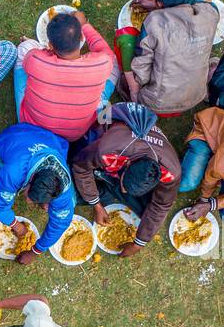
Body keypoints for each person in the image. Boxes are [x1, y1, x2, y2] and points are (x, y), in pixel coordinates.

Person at [70, 102, 182, 257]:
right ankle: (104, 189)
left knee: (148, 215)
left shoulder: (171, 172)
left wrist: (139, 243)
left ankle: (108, 191)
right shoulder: (107, 149)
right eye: (124, 184)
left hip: (137, 153)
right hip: (109, 124)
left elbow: (161, 206)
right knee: (76, 178)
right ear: (127, 163)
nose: (123, 189)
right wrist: (96, 205)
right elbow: (80, 167)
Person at [123, 0, 220, 115]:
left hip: (159, 103)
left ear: (159, 3)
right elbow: (210, 5)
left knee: (124, 43)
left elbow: (141, 72)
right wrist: (168, 3)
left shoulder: (153, 22)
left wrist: (134, 83)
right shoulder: (209, 13)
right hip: (196, 95)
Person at [14, 8, 118, 140]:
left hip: (33, 128)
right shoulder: (101, 64)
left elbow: (32, 55)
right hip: (74, 135)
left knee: (25, 47)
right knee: (114, 66)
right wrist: (85, 24)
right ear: (81, 37)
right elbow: (105, 51)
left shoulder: (36, 60)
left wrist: (47, 54)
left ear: (50, 45)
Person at [0, 121, 74, 263]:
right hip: (16, 138)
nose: (27, 201)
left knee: (69, 204)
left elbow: (61, 222)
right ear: (31, 178)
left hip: (48, 141)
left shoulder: (64, 188)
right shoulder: (14, 171)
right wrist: (15, 225)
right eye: (29, 196)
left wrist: (36, 251)